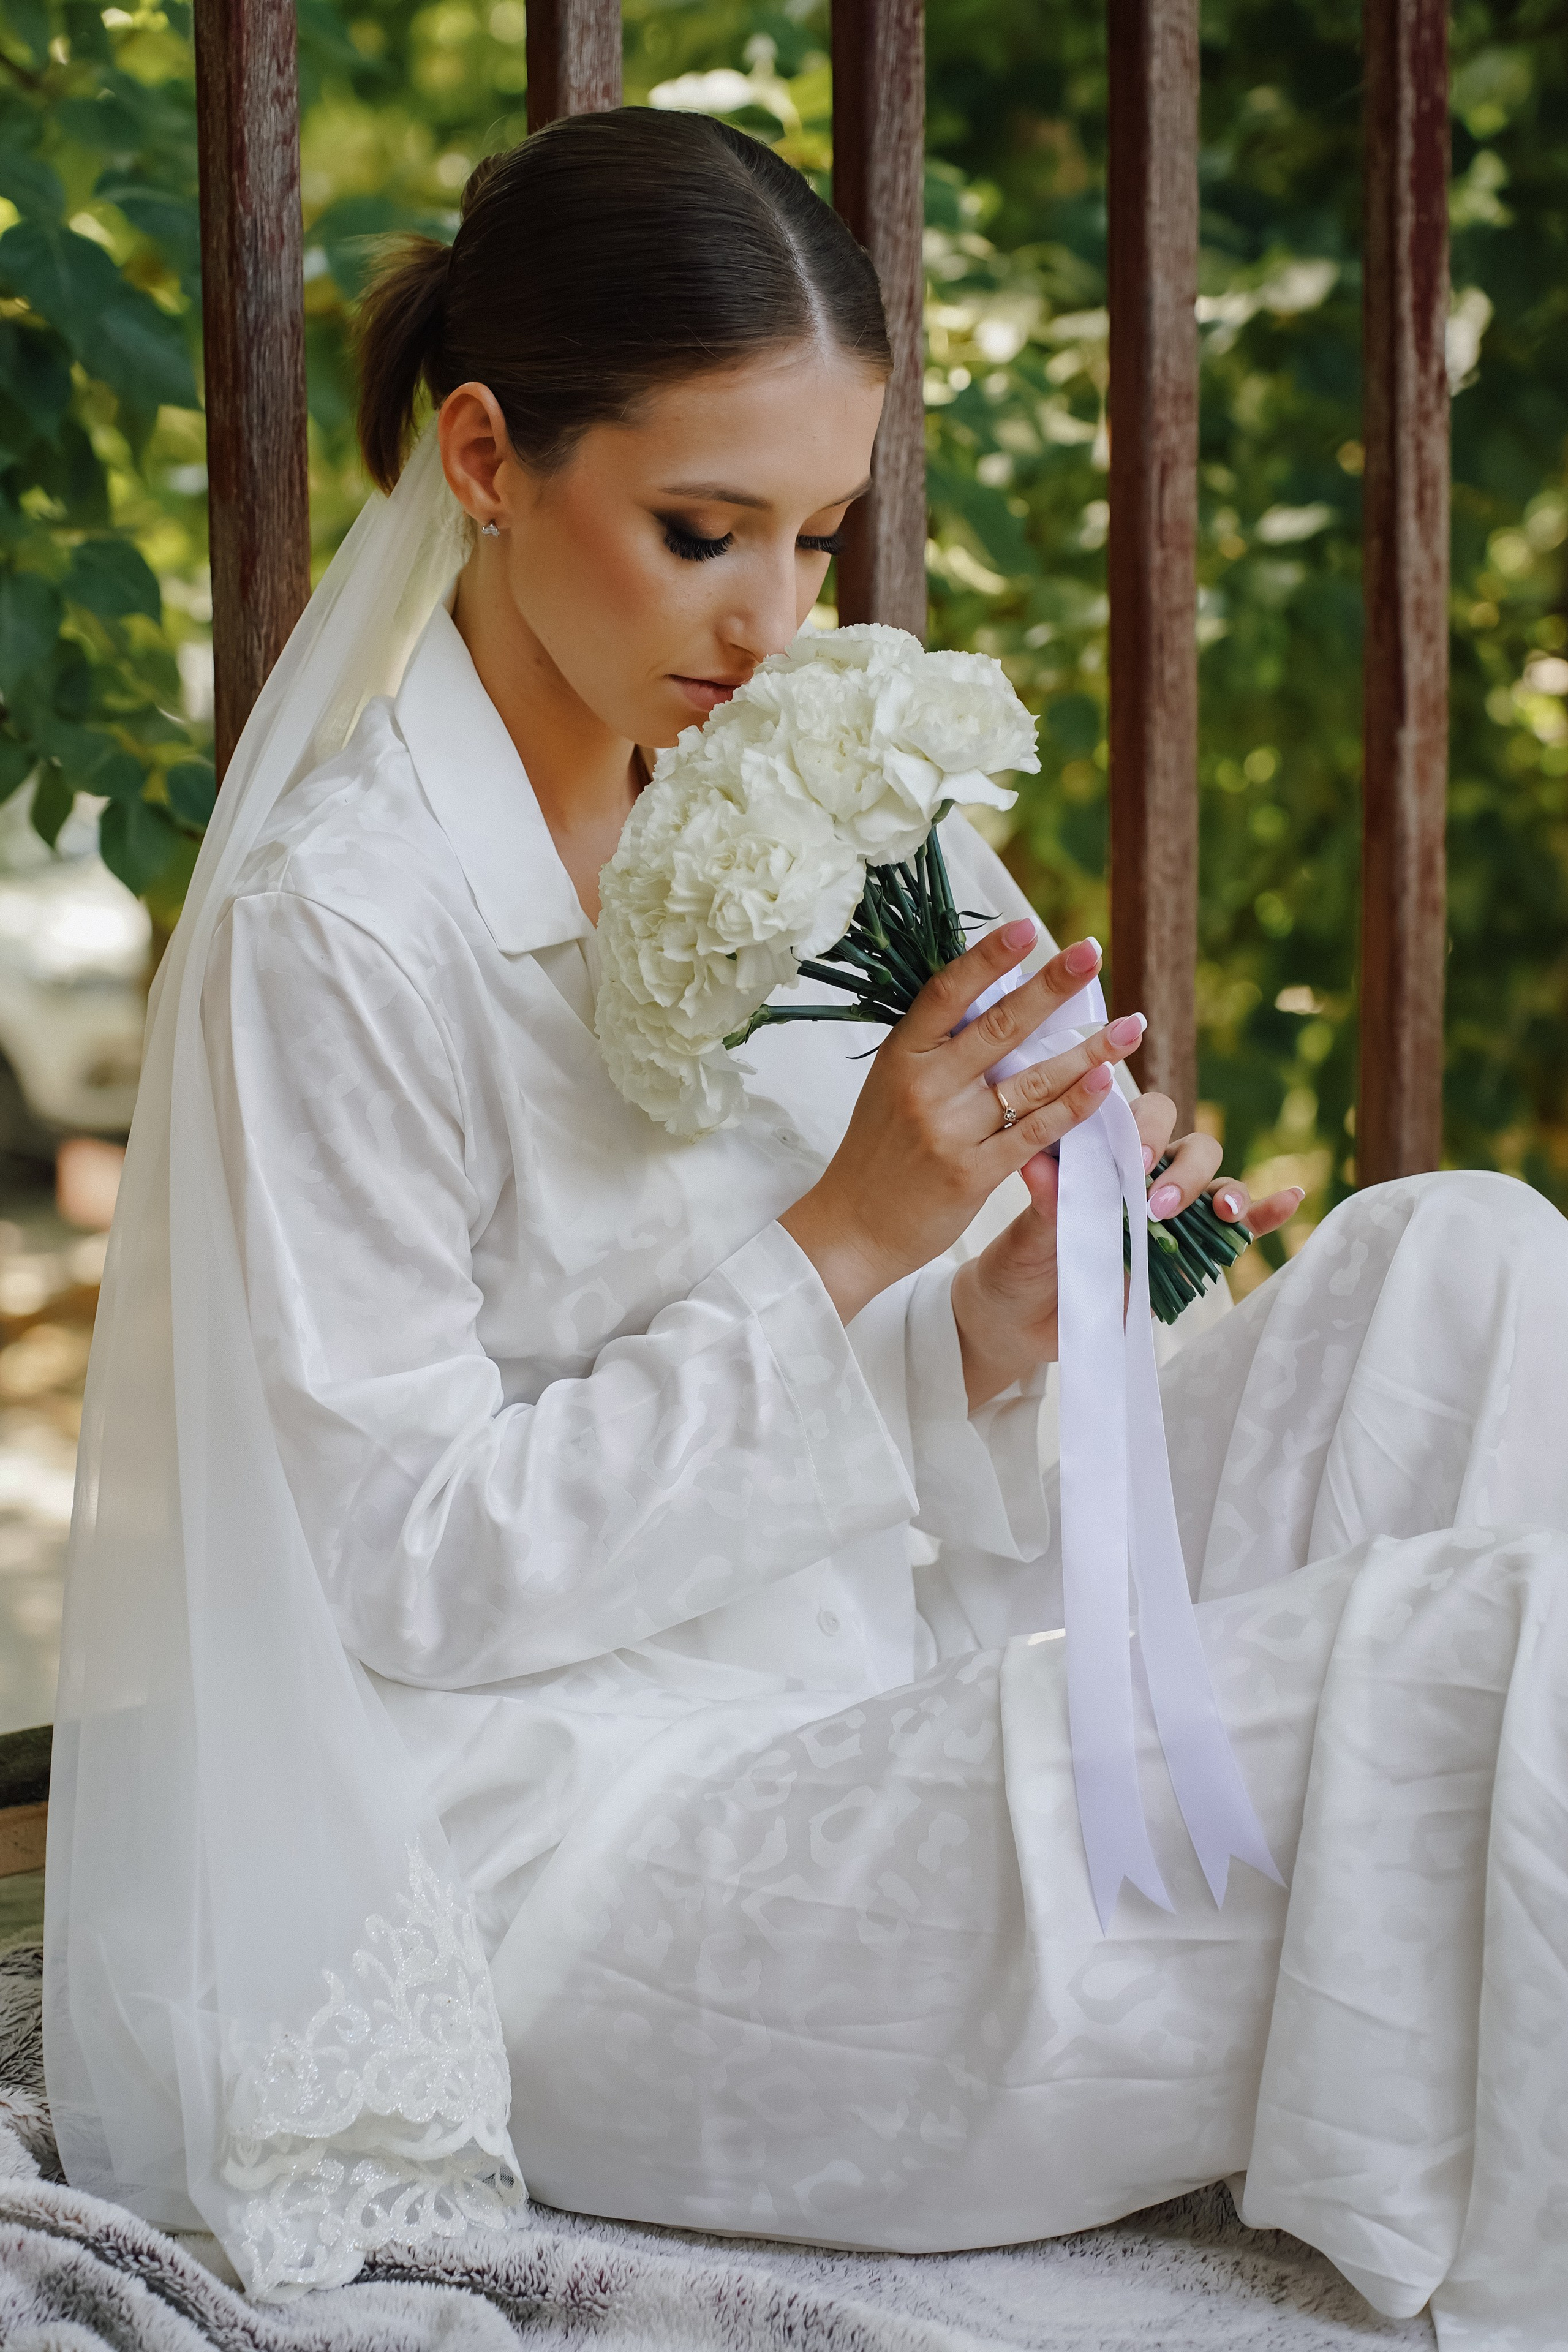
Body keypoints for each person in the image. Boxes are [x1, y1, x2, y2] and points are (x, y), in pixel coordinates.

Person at [43, 109, 1568, 2343]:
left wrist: (1011, 1312)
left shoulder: (804, 798)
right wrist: (851, 1238)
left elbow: (891, 1417)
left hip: (880, 1659)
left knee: (1476, 1262)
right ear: (486, 457)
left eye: (820, 537)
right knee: (1483, 1660)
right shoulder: (343, 929)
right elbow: (406, 1572)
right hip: (599, 1856)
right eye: (702, 533)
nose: (774, 623)